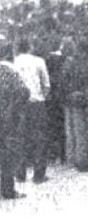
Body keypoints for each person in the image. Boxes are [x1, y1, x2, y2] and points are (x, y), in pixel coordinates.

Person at [12, 38, 52, 184]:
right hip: (37, 102)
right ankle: (39, 173)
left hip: (20, 104)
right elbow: (46, 84)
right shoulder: (39, 61)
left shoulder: (14, 63)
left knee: (20, 137)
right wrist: (42, 96)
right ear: (30, 47)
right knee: (40, 138)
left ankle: (20, 172)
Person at [62, 41, 88, 172]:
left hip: (76, 99)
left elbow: (65, 81)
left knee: (79, 132)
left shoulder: (71, 63)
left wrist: (71, 93)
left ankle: (81, 161)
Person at [1, 40, 29, 200]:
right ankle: (7, 190)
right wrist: (13, 109)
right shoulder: (10, 72)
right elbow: (24, 91)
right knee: (7, 154)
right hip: (6, 120)